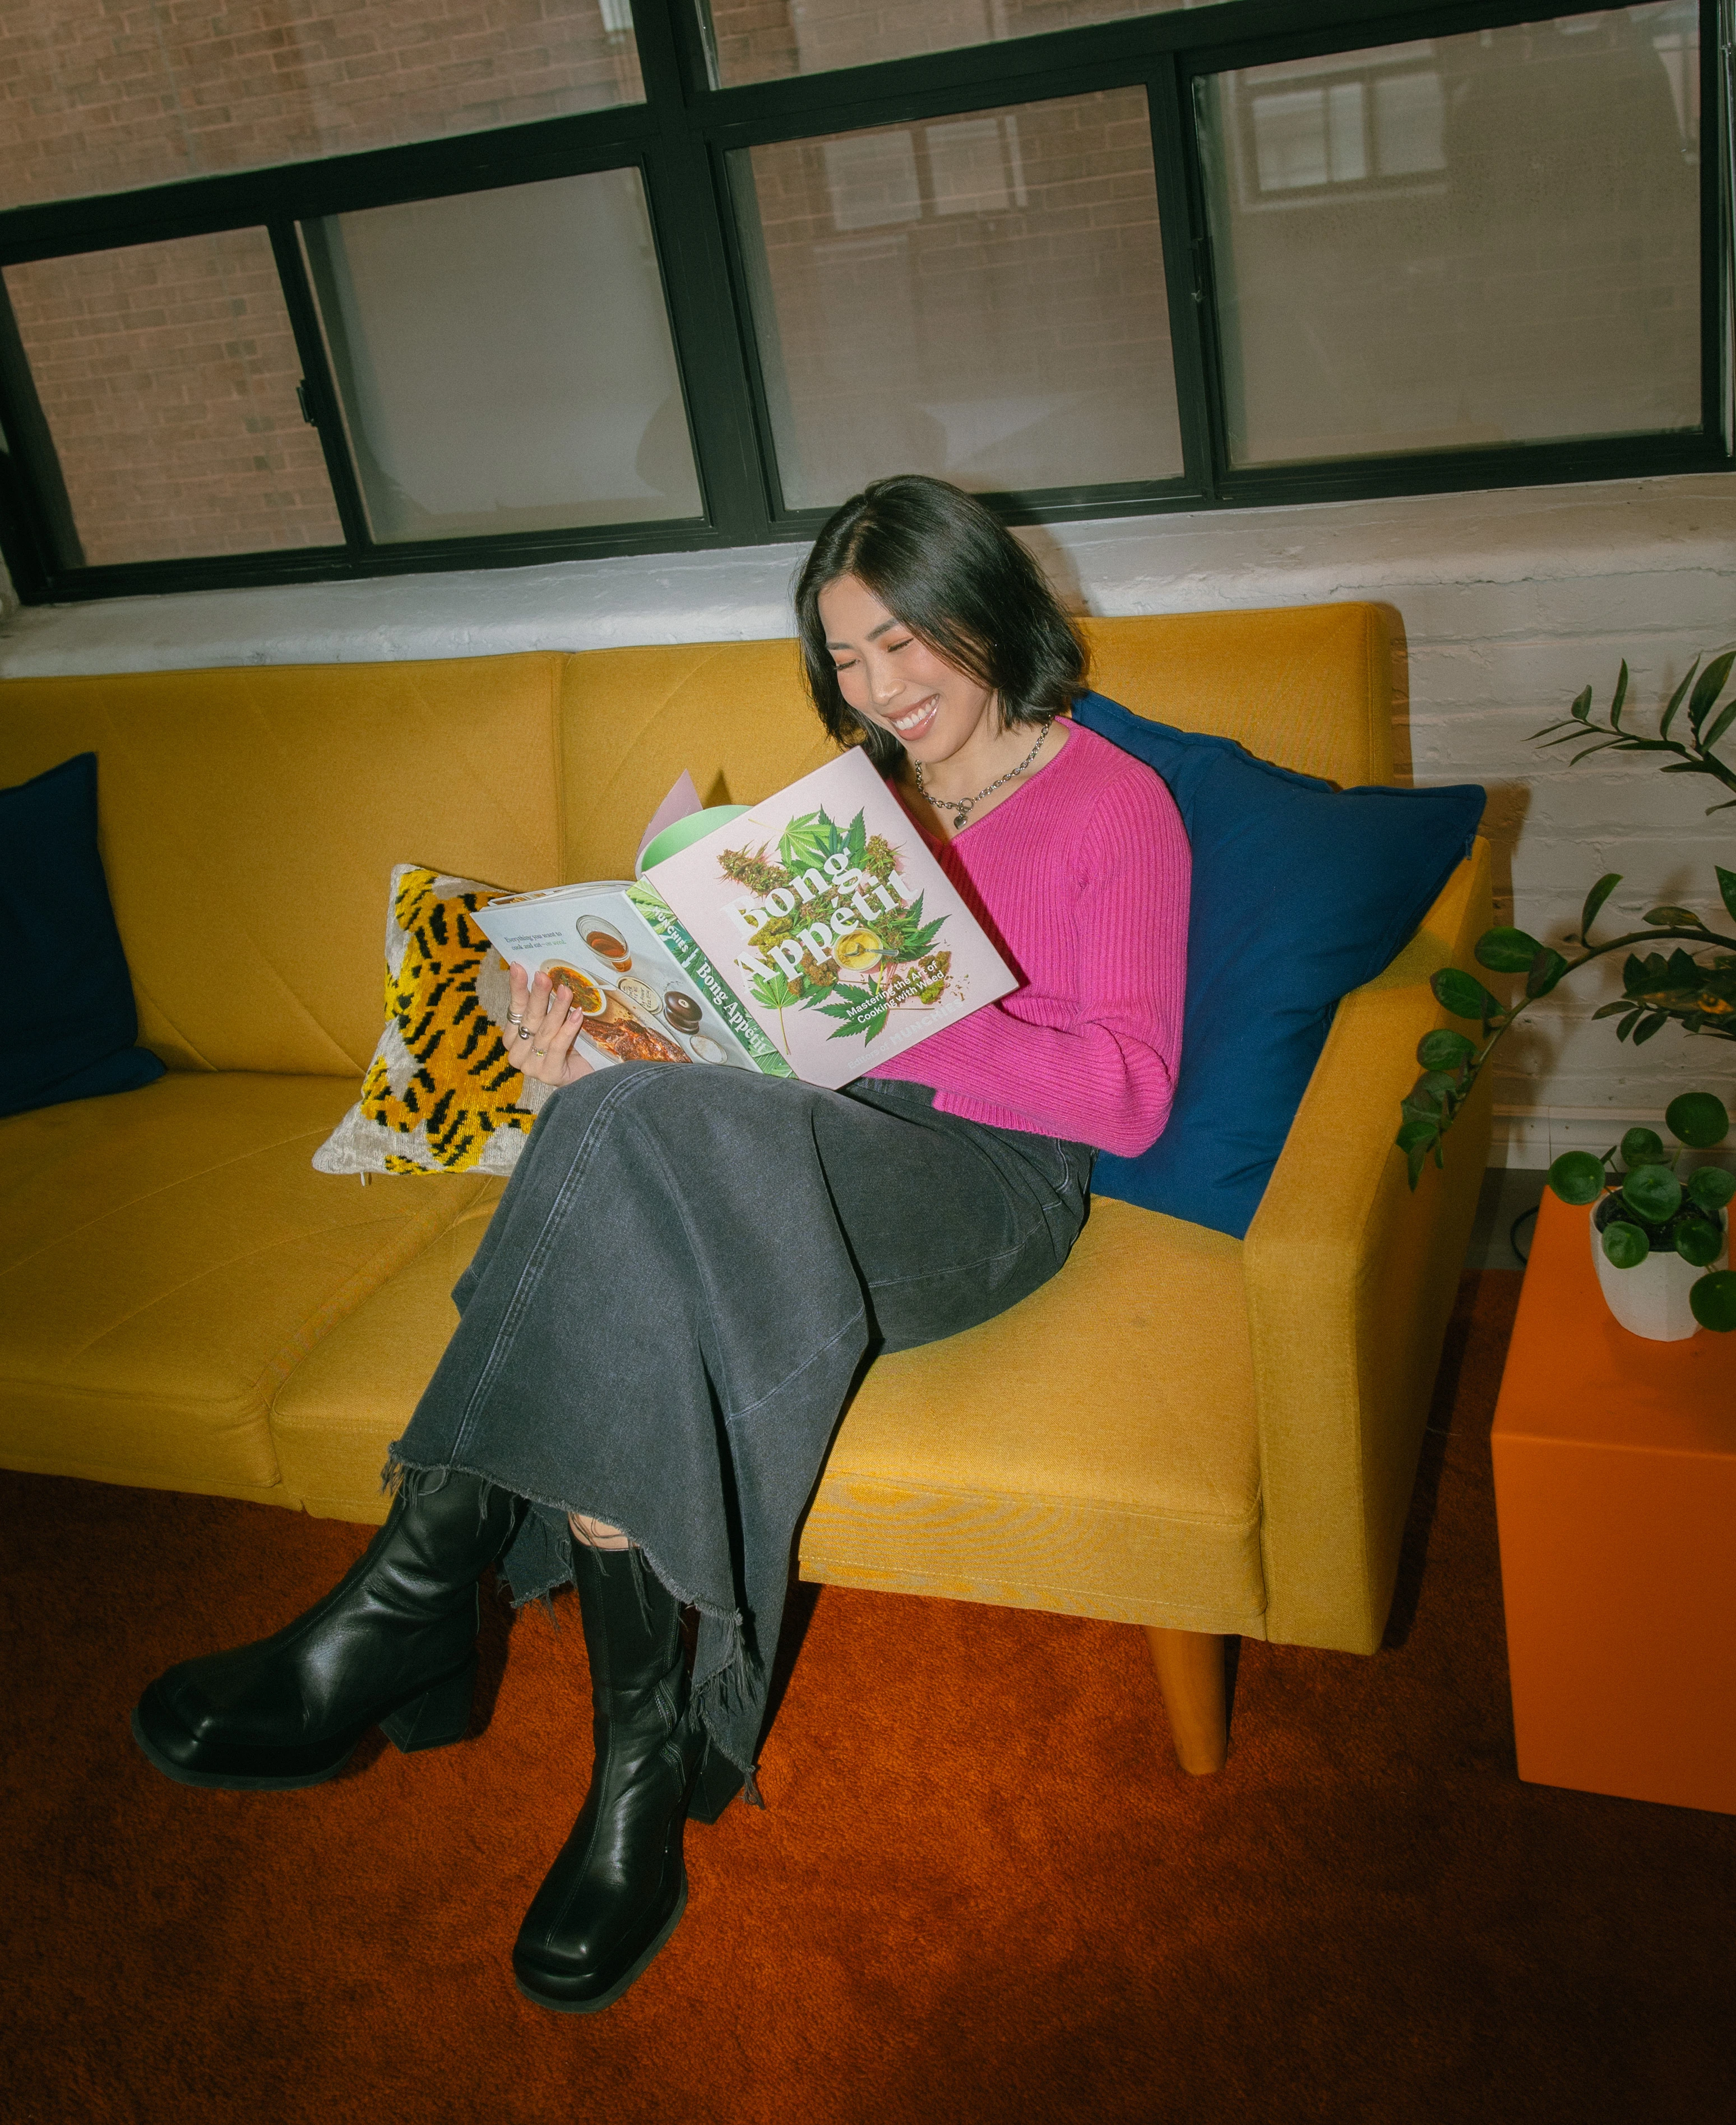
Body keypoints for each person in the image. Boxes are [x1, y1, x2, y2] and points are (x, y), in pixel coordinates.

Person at [131, 475, 1192, 2015]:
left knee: (636, 1149)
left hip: (985, 1190)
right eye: (847, 657)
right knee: (618, 1123)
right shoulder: (858, 802)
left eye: (912, 640)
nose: (887, 686)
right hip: (803, 1156)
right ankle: (634, 1769)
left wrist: (919, 1007)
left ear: (994, 612)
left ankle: (413, 1602)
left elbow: (1134, 1097)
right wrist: (603, 1042)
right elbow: (759, 1054)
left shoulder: (1115, 806)